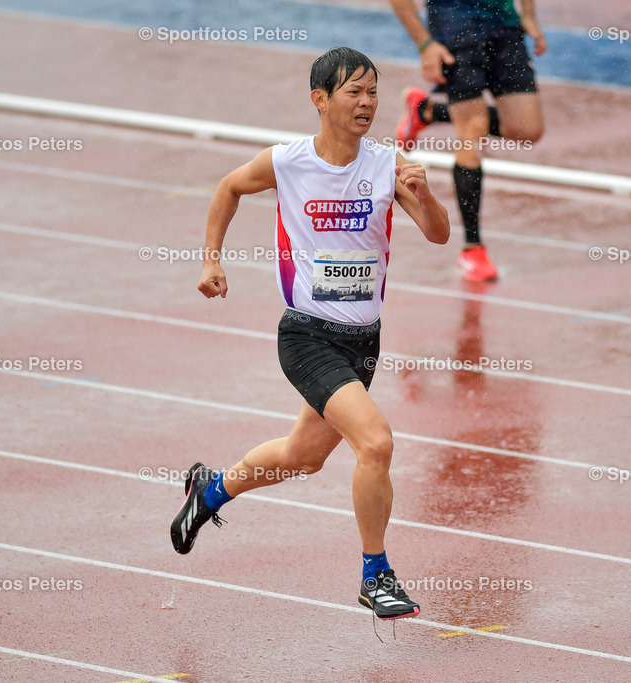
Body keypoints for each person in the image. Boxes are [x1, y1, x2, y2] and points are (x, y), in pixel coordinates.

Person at [169, 47, 450, 622]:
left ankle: (211, 490)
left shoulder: (387, 164)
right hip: (306, 336)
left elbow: (439, 234)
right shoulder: (287, 161)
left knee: (302, 457)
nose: (367, 102)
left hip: (363, 340)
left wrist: (424, 195)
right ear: (320, 99)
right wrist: (211, 259)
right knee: (376, 442)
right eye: (354, 92)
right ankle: (376, 575)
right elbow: (228, 187)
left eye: (373, 92)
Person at [390, 0, 546, 281]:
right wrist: (424, 43)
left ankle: (426, 110)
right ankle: (472, 248)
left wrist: (529, 15)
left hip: (503, 23)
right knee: (472, 130)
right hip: (456, 24)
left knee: (527, 129)